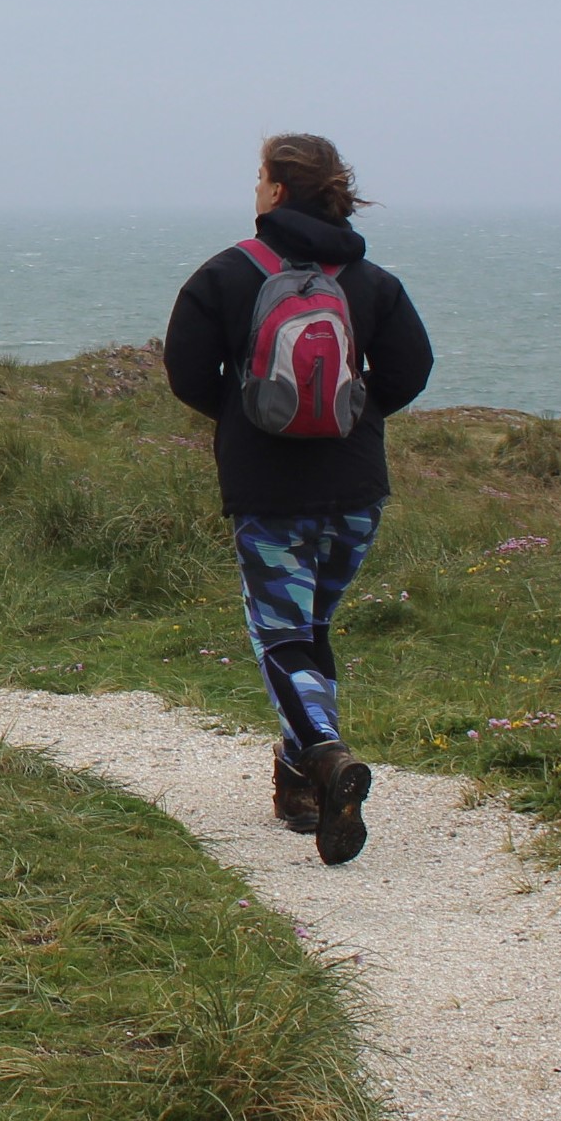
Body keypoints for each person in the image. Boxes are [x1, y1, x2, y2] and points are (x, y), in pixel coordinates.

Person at [163, 134, 434, 865]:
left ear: (278, 190)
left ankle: (322, 753)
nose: (254, 188)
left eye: (259, 177)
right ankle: (299, 788)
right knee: (308, 630)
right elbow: (411, 368)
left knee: (281, 635)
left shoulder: (226, 274)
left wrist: (248, 411)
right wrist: (354, 408)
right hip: (354, 485)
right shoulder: (369, 280)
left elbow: (186, 373)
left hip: (266, 486)